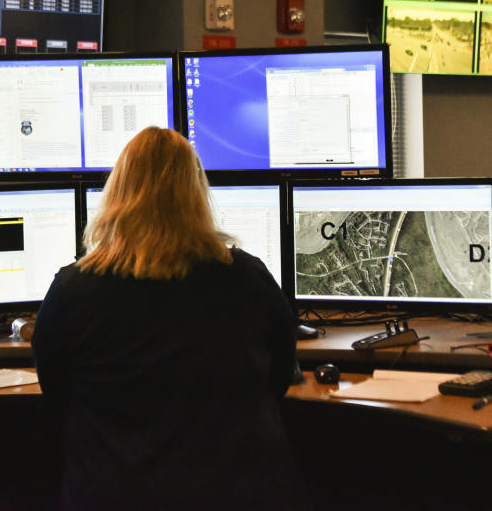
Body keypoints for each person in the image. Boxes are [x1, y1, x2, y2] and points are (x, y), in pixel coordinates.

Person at [32, 126, 309, 511]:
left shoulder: (71, 289)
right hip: (239, 493)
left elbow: (57, 392)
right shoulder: (248, 277)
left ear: (116, 195)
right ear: (196, 197)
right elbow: (278, 377)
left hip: (113, 494)